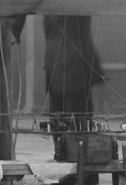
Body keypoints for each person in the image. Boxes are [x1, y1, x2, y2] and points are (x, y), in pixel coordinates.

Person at [42, 15, 108, 161]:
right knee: (71, 122)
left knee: (70, 123)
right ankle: (77, 168)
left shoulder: (58, 5)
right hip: (65, 72)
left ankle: (76, 168)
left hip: (68, 72)